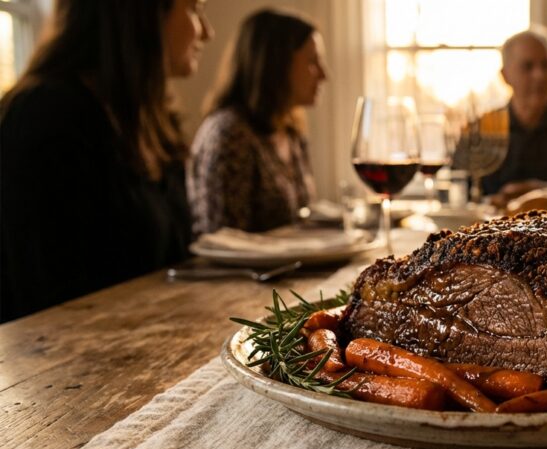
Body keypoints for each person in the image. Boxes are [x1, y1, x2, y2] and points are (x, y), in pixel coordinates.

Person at [0, 0, 212, 323]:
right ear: (144, 15)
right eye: (195, 9)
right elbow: (46, 300)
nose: (207, 32)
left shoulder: (152, 120)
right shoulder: (45, 115)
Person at [188, 8, 327, 234]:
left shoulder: (290, 131)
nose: (323, 75)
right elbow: (224, 240)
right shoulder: (230, 134)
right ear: (276, 64)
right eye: (312, 62)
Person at [480, 29, 547, 206]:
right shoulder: (479, 132)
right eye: (528, 66)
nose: (539, 75)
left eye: (545, 65)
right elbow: (462, 198)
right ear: (505, 75)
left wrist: (537, 190)